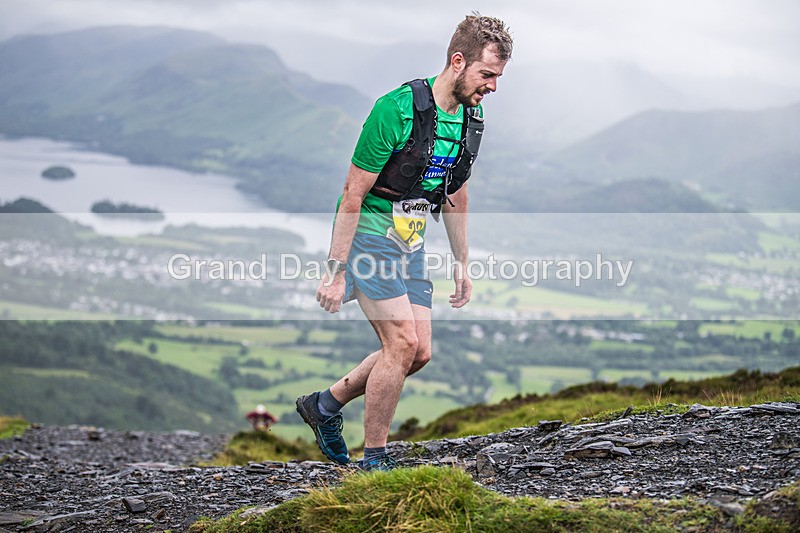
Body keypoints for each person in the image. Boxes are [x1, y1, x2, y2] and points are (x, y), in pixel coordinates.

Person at [296, 14, 512, 471]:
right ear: (458, 61)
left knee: (419, 352)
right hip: (370, 237)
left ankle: (325, 406)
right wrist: (335, 271)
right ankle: (374, 460)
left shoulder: (471, 116)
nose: (492, 86)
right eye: (487, 75)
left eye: (497, 77)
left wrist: (462, 261)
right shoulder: (395, 110)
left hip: (409, 243)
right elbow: (352, 192)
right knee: (399, 343)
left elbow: (455, 192)